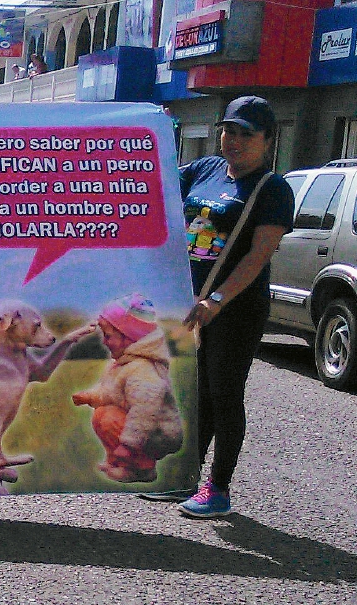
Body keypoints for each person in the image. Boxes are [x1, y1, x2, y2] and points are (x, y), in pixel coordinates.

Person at [152, 96, 294, 518]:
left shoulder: (272, 189)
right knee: (194, 392)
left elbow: (258, 255)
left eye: (246, 133)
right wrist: (150, 129)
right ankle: (186, 476)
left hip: (233, 307)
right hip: (190, 304)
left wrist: (215, 300)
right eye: (229, 130)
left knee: (224, 392)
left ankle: (219, 488)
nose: (233, 140)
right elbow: (152, 180)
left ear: (268, 140)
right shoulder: (206, 170)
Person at [72, 294, 183, 484]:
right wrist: (89, 397)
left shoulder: (142, 369)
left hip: (158, 432)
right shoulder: (126, 364)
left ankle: (142, 469)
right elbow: (111, 393)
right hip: (143, 428)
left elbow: (144, 411)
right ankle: (120, 463)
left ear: (130, 336)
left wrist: (128, 444)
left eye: (108, 336)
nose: (104, 342)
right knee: (101, 414)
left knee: (108, 418)